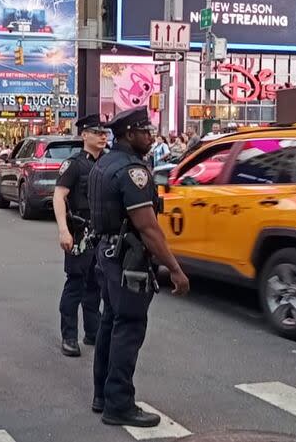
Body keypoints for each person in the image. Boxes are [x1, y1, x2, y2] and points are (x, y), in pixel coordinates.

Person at [88, 106, 190, 427]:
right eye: (145, 131)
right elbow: (147, 228)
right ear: (129, 134)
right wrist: (174, 268)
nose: (151, 136)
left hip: (105, 254)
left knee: (110, 323)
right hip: (126, 258)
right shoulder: (134, 171)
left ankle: (102, 395)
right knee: (129, 327)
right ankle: (119, 404)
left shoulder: (103, 163)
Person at [52, 115, 105, 357]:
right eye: (96, 132)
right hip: (80, 232)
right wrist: (63, 229)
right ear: (84, 135)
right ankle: (69, 336)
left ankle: (93, 332)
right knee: (75, 283)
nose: (102, 136)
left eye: (104, 132)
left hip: (103, 233)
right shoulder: (74, 164)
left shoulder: (108, 162)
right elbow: (59, 196)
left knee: (96, 284)